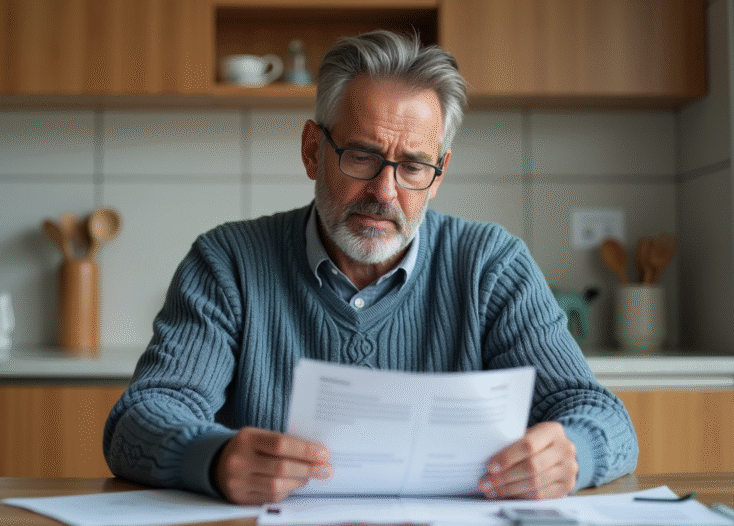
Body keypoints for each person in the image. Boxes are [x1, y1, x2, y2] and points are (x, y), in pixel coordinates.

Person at [103, 30, 638, 505]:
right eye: (361, 156)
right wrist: (213, 459)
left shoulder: (491, 267)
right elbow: (139, 418)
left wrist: (572, 455)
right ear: (312, 150)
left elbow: (601, 416)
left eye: (413, 166)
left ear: (439, 173)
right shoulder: (228, 263)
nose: (384, 192)